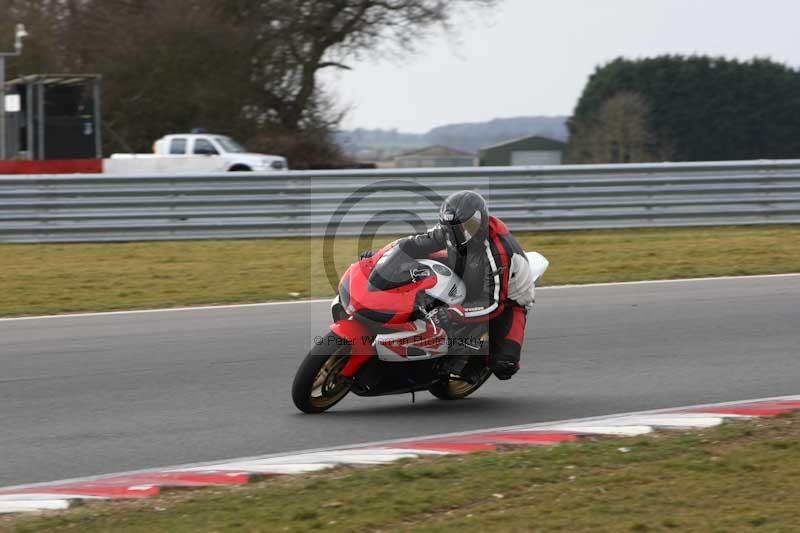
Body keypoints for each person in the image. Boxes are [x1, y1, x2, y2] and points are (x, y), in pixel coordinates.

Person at [365, 190, 533, 380]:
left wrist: (454, 313)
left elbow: (493, 304)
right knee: (418, 273)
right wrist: (380, 256)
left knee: (505, 365)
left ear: (480, 220)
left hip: (508, 298)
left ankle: (474, 361)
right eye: (452, 228)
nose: (457, 234)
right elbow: (412, 244)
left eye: (464, 227)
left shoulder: (497, 252)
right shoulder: (451, 231)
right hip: (467, 268)